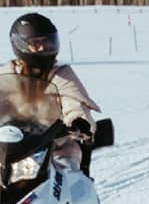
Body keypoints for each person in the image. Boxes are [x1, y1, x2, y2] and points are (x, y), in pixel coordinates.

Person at [7, 12, 100, 170]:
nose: (43, 47)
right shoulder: (10, 72)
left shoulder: (60, 73)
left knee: (67, 167)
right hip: (13, 144)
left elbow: (73, 100)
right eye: (35, 43)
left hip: (56, 143)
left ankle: (75, 184)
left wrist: (77, 120)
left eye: (47, 41)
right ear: (20, 44)